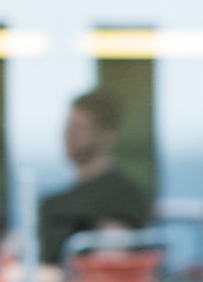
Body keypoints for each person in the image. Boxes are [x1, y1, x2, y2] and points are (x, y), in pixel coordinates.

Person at [38, 90, 152, 269]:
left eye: (79, 129)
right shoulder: (53, 200)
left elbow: (105, 267)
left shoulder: (123, 195)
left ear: (107, 137)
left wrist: (35, 276)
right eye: (68, 127)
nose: (68, 136)